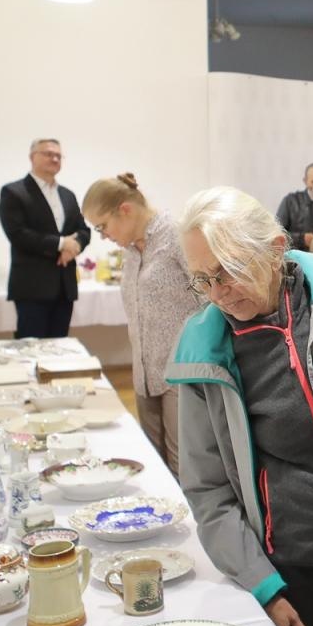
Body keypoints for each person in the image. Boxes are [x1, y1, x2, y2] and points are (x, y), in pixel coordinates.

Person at [165, 186, 313, 626]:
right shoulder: (204, 348)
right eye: (204, 280)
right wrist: (261, 582)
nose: (219, 292)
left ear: (274, 247)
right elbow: (207, 490)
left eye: (228, 270)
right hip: (288, 550)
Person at [82, 172, 199, 476]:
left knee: (180, 464)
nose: (103, 236)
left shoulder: (177, 235)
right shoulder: (132, 249)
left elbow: (209, 300)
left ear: (125, 209)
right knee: (151, 460)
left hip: (181, 370)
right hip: (144, 372)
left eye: (102, 226)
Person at [0, 138, 90, 338]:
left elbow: (83, 230)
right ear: (32, 157)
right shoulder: (14, 192)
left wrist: (73, 247)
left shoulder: (68, 195)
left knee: (60, 348)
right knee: (31, 349)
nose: (55, 158)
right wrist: (61, 243)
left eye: (59, 155)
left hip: (65, 285)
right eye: (49, 154)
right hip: (32, 286)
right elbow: (18, 234)